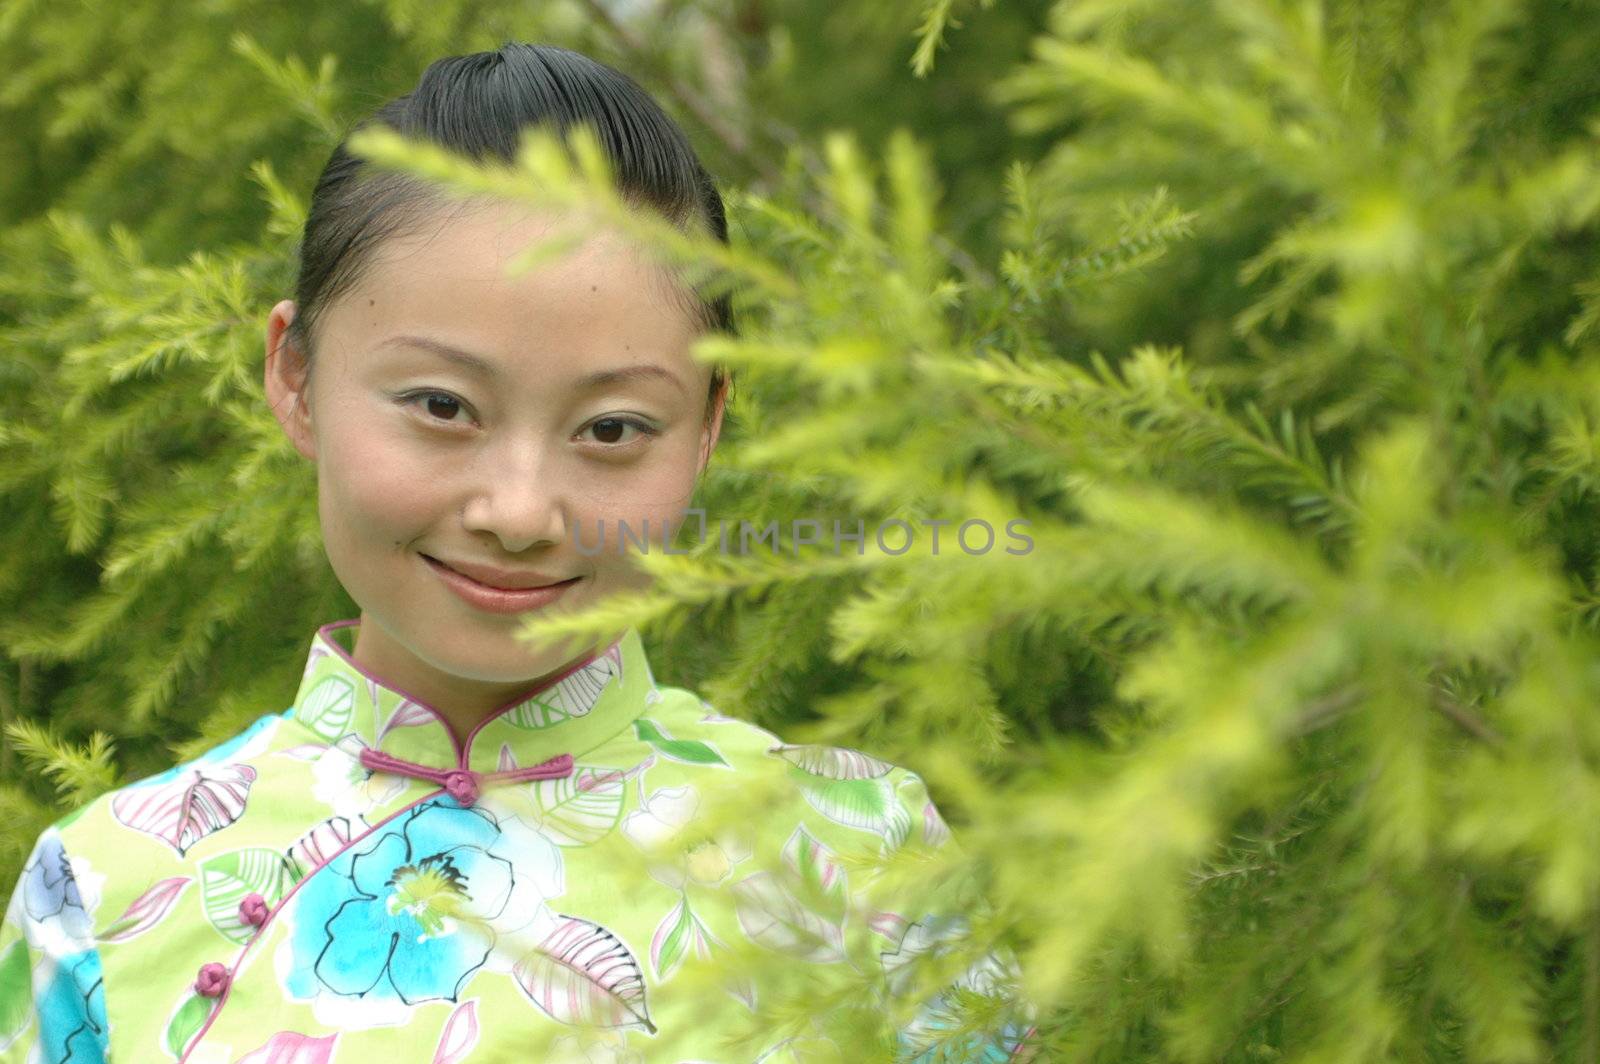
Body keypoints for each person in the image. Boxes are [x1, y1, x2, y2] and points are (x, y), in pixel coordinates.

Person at [0, 42, 1036, 1063]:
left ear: (708, 424)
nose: (521, 510)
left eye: (613, 428)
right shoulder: (104, 891)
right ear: (296, 373)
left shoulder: (860, 857)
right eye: (442, 406)